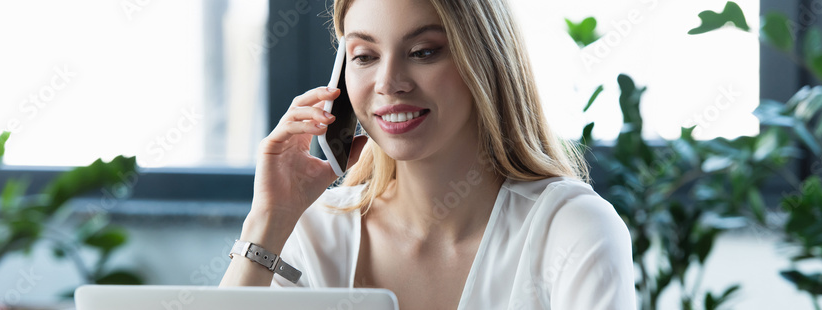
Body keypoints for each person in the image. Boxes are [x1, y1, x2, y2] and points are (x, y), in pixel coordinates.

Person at [219, 0, 636, 308]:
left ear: (485, 61)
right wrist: (268, 222)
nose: (389, 82)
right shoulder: (315, 233)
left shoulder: (572, 229)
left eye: (423, 51)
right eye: (365, 56)